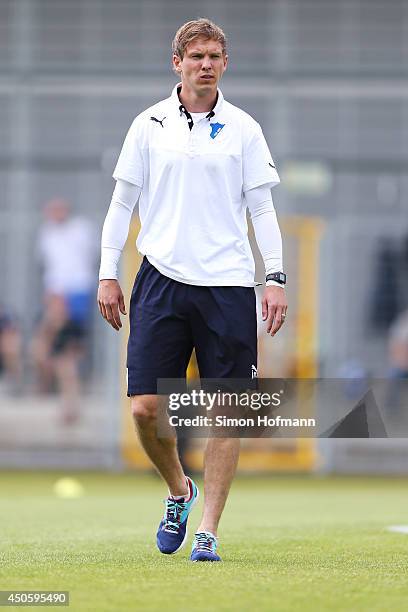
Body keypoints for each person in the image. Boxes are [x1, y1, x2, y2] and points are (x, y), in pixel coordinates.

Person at [97, 19, 287, 562]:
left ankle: (208, 532)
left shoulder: (245, 129)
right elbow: (121, 205)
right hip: (160, 280)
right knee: (144, 410)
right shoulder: (148, 124)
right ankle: (180, 490)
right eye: (196, 56)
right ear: (176, 62)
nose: (205, 64)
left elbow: (263, 209)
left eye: (215, 56)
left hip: (227, 285)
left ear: (226, 64)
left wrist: (273, 277)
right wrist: (109, 272)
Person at [32, 198, 97, 423]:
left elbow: (80, 266)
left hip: (73, 295)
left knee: (63, 357)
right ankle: (53, 386)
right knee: (49, 352)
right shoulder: (47, 234)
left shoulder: (80, 229)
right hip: (58, 296)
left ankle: (67, 401)